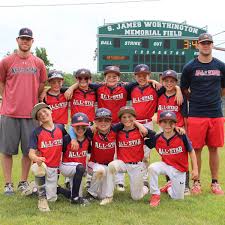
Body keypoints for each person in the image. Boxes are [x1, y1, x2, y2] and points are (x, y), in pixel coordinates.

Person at [0, 28, 47, 195]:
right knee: (7, 150)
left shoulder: (39, 63)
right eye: (22, 38)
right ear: (17, 40)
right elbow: (2, 83)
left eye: (28, 39)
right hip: (9, 113)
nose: (25, 41)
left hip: (30, 114)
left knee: (29, 151)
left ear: (32, 41)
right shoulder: (6, 61)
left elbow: (41, 85)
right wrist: (8, 99)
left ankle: (23, 181)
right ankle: (7, 184)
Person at [181, 33, 225, 195]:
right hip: (196, 114)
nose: (206, 45)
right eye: (203, 43)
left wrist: (213, 98)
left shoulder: (221, 66)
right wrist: (197, 99)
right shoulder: (190, 67)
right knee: (196, 149)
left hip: (216, 114)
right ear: (198, 45)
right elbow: (184, 89)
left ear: (212, 45)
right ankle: (196, 182)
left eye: (209, 43)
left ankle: (215, 182)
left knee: (214, 149)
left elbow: (223, 89)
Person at [100, 106, 155, 205]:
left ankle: (145, 186)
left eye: (130, 116)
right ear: (120, 119)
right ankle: (108, 196)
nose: (127, 119)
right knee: (111, 166)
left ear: (134, 117)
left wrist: (137, 124)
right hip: (122, 163)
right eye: (124, 117)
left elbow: (153, 137)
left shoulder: (141, 131)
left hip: (137, 165)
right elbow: (105, 129)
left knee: (136, 198)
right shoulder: (117, 131)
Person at [146, 111, 198, 207]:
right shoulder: (157, 138)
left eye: (171, 123)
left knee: (177, 198)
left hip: (179, 169)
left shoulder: (181, 135)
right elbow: (143, 139)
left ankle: (169, 186)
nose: (168, 125)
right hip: (166, 166)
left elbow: (191, 151)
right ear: (160, 123)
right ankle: (155, 195)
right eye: (164, 122)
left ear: (175, 123)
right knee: (152, 168)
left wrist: (195, 169)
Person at [28, 102, 67, 212]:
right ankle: (41, 196)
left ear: (51, 111)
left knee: (52, 199)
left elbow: (69, 138)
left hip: (56, 168)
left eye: (44, 111)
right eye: (39, 114)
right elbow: (31, 153)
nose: (43, 114)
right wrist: (37, 159)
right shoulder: (36, 132)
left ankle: (34, 188)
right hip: (43, 167)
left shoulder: (60, 127)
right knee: (38, 168)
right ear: (38, 119)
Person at [58, 112, 91, 205]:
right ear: (73, 127)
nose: (80, 129)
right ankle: (75, 199)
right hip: (66, 166)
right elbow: (59, 154)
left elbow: (88, 155)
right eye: (77, 127)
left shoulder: (88, 138)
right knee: (80, 167)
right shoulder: (67, 138)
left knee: (77, 192)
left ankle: (59, 190)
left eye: (83, 127)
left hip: (77, 170)